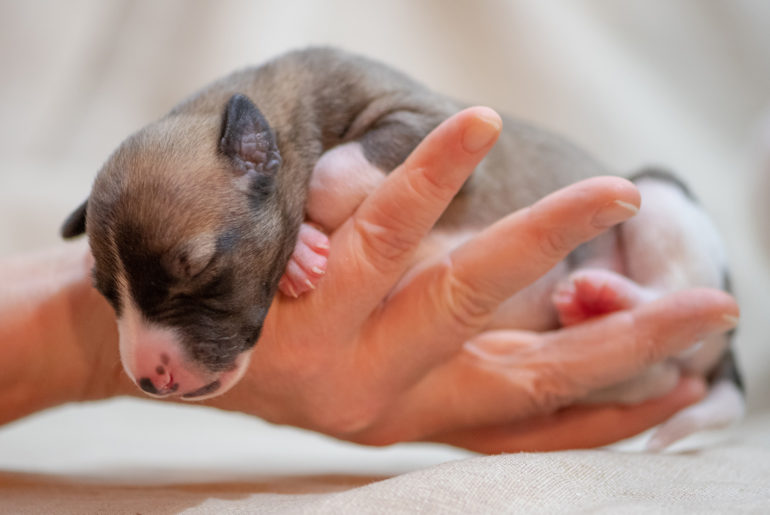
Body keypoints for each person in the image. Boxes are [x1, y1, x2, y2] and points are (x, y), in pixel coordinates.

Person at [0, 107, 739, 452]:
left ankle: (701, 364)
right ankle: (660, 365)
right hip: (538, 330)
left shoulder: (328, 141)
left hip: (613, 251)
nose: (142, 365)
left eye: (193, 270)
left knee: (661, 203)